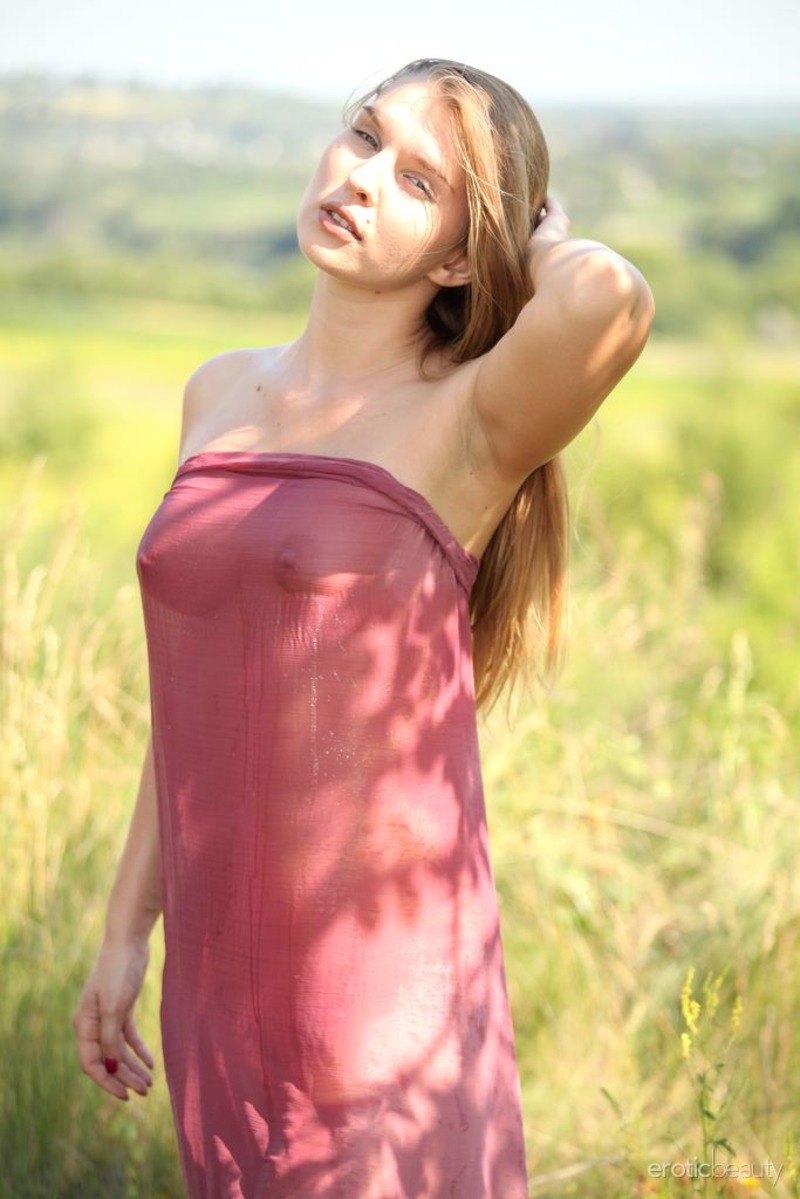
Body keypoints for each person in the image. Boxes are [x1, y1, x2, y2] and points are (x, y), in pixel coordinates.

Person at [73, 57, 654, 1198]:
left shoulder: (465, 419)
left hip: (376, 989)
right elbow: (192, 699)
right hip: (218, 965)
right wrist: (122, 934)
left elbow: (608, 302)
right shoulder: (214, 391)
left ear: (456, 253)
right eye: (362, 136)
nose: (363, 177)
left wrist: (531, 230)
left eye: (420, 179)